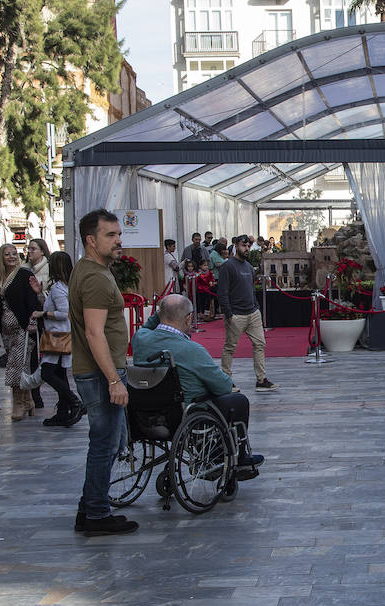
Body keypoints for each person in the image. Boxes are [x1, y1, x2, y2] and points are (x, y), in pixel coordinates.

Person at [132, 294, 265, 492]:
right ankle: (235, 456)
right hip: (184, 413)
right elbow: (223, 387)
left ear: (160, 315)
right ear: (188, 319)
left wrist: (162, 311)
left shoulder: (140, 340)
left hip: (146, 414)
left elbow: (148, 327)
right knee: (237, 401)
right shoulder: (191, 349)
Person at [70, 209, 137, 536]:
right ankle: (96, 514)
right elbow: (95, 333)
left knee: (104, 442)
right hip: (100, 373)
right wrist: (113, 379)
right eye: (110, 235)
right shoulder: (95, 277)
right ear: (91, 240)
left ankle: (89, 507)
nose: (118, 241)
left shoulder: (87, 269)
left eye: (119, 234)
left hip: (96, 371)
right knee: (105, 444)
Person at [0, 243, 43, 421]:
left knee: (17, 365)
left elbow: (33, 300)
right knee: (18, 364)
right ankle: (28, 401)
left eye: (14, 253)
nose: (11, 257)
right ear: (1, 258)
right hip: (6, 331)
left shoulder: (24, 274)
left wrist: (32, 322)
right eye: (7, 254)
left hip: (22, 328)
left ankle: (18, 402)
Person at [218, 236, 278, 392]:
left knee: (260, 344)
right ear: (236, 246)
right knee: (230, 348)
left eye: (249, 246)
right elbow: (222, 292)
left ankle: (261, 380)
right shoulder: (227, 267)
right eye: (243, 245)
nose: (247, 248)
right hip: (235, 315)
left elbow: (251, 289)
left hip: (252, 313)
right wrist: (228, 313)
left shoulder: (249, 267)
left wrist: (256, 307)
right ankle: (225, 381)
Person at [33, 251, 84, 427]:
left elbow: (64, 312)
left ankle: (74, 401)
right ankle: (63, 411)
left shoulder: (57, 288)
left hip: (58, 335)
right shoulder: (67, 286)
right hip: (64, 334)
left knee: (47, 372)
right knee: (60, 373)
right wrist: (41, 295)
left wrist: (43, 313)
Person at [24, 238, 51, 410]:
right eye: (29, 249)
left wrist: (41, 294)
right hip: (30, 318)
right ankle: (35, 395)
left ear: (42, 251)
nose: (30, 251)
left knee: (50, 358)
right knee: (32, 357)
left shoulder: (48, 269)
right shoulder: (24, 269)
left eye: (33, 249)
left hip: (46, 319)